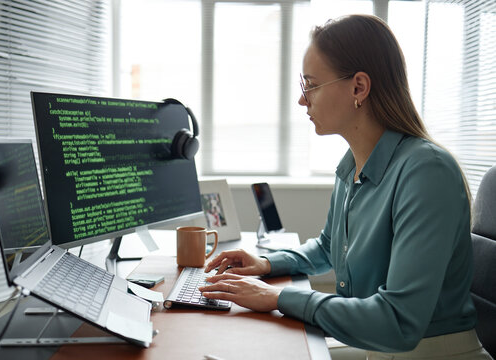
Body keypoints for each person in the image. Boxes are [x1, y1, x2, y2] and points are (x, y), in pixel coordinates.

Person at [199, 14, 492, 360]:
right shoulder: (353, 165)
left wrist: (278, 298)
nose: (302, 100)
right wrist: (265, 264)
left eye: (310, 84)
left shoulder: (426, 172)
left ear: (359, 88)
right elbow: (328, 248)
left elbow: (398, 322)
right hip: (377, 348)